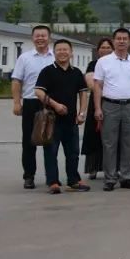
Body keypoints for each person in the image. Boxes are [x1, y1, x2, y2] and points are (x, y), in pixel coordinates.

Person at [92, 28, 130, 191]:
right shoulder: (103, 62)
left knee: (128, 142)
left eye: (124, 39)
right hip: (110, 105)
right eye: (118, 38)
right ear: (113, 41)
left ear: (129, 42)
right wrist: (97, 108)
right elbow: (98, 85)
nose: (121, 41)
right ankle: (110, 178)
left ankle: (126, 177)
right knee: (109, 143)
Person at [34, 39, 90, 194]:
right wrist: (55, 105)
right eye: (59, 50)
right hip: (51, 120)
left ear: (71, 53)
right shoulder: (47, 71)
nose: (62, 52)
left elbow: (83, 93)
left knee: (73, 152)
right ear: (54, 52)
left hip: (71, 120)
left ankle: (73, 181)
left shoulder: (76, 72)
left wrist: (81, 113)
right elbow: (38, 92)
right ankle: (53, 182)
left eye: (66, 50)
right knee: (51, 152)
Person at [11, 25, 54, 190]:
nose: (40, 38)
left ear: (49, 38)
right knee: (29, 141)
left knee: (51, 140)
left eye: (44, 35)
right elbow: (17, 81)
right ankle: (29, 176)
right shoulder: (25, 58)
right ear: (32, 38)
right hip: (30, 102)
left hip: (51, 103)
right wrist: (17, 102)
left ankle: (52, 177)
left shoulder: (55, 57)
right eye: (37, 36)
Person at [81, 38, 113, 180]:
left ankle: (111, 168)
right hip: (96, 103)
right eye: (102, 48)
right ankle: (92, 168)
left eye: (108, 48)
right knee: (93, 135)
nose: (105, 50)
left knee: (112, 137)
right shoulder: (93, 64)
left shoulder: (116, 63)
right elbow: (91, 83)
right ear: (98, 50)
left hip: (113, 103)